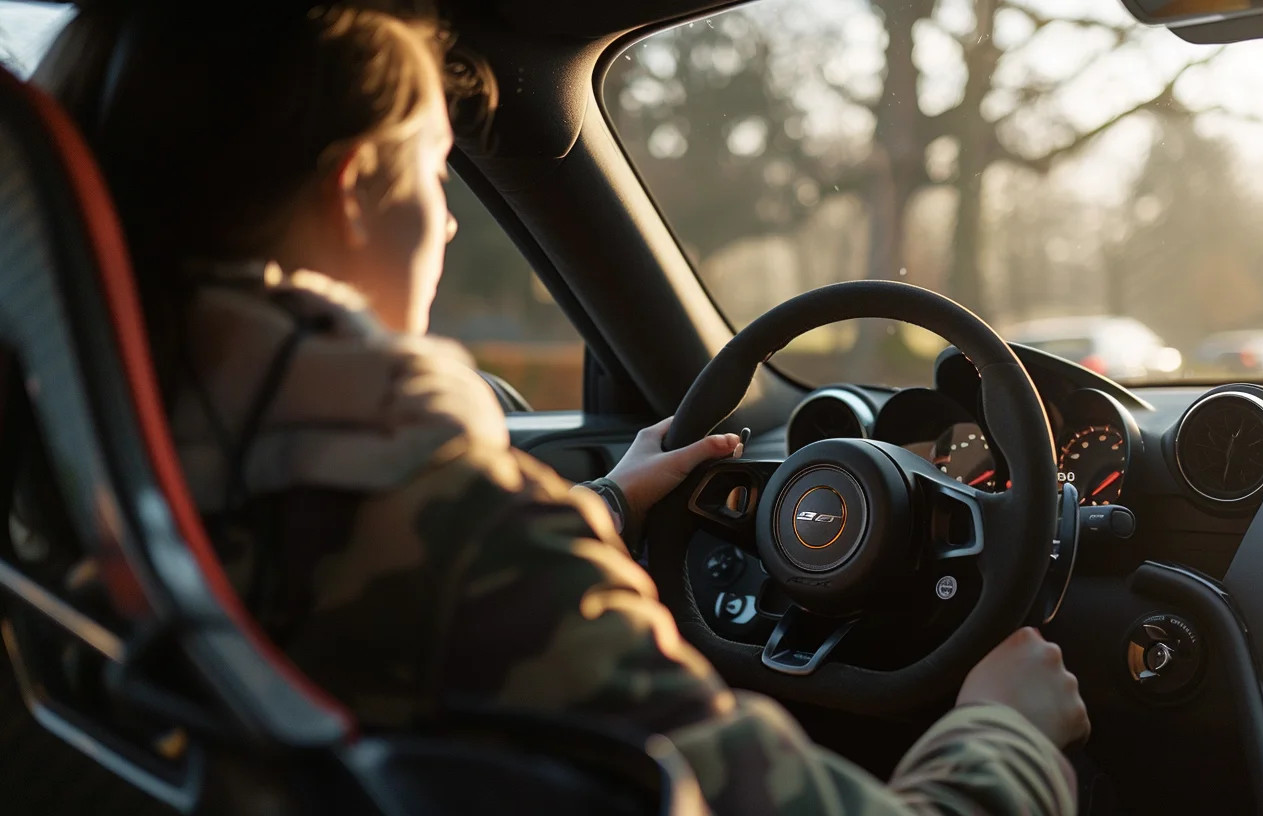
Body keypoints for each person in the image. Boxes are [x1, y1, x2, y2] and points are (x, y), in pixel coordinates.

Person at [31, 3, 1089, 813]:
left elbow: (406, 603)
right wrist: (1005, 734)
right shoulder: (445, 536)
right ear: (357, 184)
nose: (444, 227)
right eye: (432, 175)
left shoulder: (81, 481)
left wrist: (606, 506)